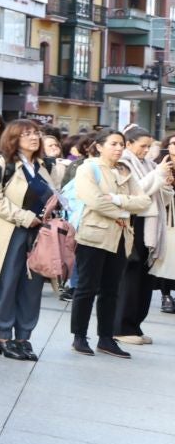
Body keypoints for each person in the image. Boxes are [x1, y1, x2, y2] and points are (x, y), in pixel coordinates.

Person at [0, 119, 67, 361]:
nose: (34, 138)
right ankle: (3, 336)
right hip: (9, 232)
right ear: (13, 138)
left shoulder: (43, 165)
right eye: (27, 134)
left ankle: (23, 337)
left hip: (39, 235)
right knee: (6, 286)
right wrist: (24, 218)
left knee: (32, 287)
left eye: (36, 133)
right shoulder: (0, 163)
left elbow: (54, 195)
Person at [71, 130, 156, 358]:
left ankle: (106, 338)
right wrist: (122, 212)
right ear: (99, 146)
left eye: (120, 144)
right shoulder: (88, 168)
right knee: (86, 288)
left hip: (120, 237)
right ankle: (79, 336)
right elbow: (94, 200)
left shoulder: (125, 170)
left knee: (111, 290)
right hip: (94, 236)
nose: (118, 148)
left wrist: (118, 200)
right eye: (113, 144)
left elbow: (143, 201)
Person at [115, 126, 167, 344]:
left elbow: (158, 192)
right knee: (130, 275)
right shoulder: (124, 164)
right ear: (129, 144)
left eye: (149, 146)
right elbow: (135, 192)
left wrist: (163, 178)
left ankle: (135, 326)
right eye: (142, 146)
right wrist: (158, 174)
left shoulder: (148, 164)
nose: (146, 150)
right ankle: (121, 327)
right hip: (133, 224)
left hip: (150, 226)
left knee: (146, 276)